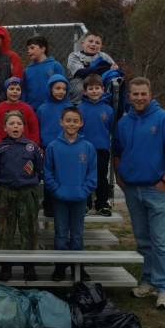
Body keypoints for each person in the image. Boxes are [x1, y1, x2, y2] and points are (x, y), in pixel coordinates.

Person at [113, 77, 165, 310]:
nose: (139, 97)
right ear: (129, 96)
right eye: (135, 94)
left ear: (150, 94)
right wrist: (120, 177)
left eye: (143, 93)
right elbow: (118, 152)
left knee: (161, 241)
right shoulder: (124, 122)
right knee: (143, 240)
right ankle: (148, 281)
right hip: (133, 190)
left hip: (158, 189)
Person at [45, 107, 97, 282]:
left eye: (75, 121)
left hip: (79, 198)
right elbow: (48, 172)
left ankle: (78, 267)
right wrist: (56, 190)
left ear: (81, 123)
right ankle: (60, 267)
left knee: (77, 234)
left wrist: (84, 191)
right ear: (61, 122)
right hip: (59, 198)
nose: (72, 124)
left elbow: (93, 174)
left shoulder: (88, 147)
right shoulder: (53, 146)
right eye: (68, 120)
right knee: (60, 233)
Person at [0, 110, 43, 282]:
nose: (16, 126)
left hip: (27, 192)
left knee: (28, 229)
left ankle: (29, 266)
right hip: (6, 192)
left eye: (19, 123)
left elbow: (38, 168)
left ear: (24, 127)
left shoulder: (31, 147)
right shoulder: (0, 147)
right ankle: (5, 267)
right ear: (5, 128)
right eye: (12, 123)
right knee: (6, 230)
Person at [36, 74, 72, 216]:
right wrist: (39, 147)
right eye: (57, 88)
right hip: (47, 149)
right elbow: (38, 129)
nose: (61, 91)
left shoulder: (69, 107)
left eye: (64, 89)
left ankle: (64, 205)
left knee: (64, 176)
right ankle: (49, 206)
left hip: (66, 147)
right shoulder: (42, 108)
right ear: (50, 89)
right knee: (49, 177)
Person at [78, 74, 114, 216]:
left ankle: (102, 204)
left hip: (101, 149)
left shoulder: (108, 110)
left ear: (103, 89)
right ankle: (85, 203)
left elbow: (111, 129)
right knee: (85, 176)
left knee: (101, 177)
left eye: (97, 88)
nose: (94, 91)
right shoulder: (80, 109)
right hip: (83, 149)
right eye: (90, 88)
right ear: (85, 91)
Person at [0, 77, 40, 146]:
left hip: (24, 148)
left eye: (18, 89)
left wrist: (31, 145)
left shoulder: (28, 108)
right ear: (6, 91)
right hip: (4, 148)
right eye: (11, 89)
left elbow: (34, 129)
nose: (15, 91)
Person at [67, 31, 118, 104]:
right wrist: (103, 68)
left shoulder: (104, 56)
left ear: (101, 46)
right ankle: (76, 108)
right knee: (80, 88)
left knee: (114, 84)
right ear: (83, 43)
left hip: (100, 82)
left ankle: (109, 107)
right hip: (79, 82)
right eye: (90, 41)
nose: (93, 44)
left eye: (97, 43)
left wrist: (108, 68)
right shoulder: (74, 55)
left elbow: (114, 69)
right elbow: (81, 73)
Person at [23, 36, 65, 111]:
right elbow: (24, 92)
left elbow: (63, 87)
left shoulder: (55, 65)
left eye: (32, 48)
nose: (29, 51)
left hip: (52, 108)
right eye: (28, 49)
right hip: (32, 110)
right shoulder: (27, 70)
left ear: (43, 49)